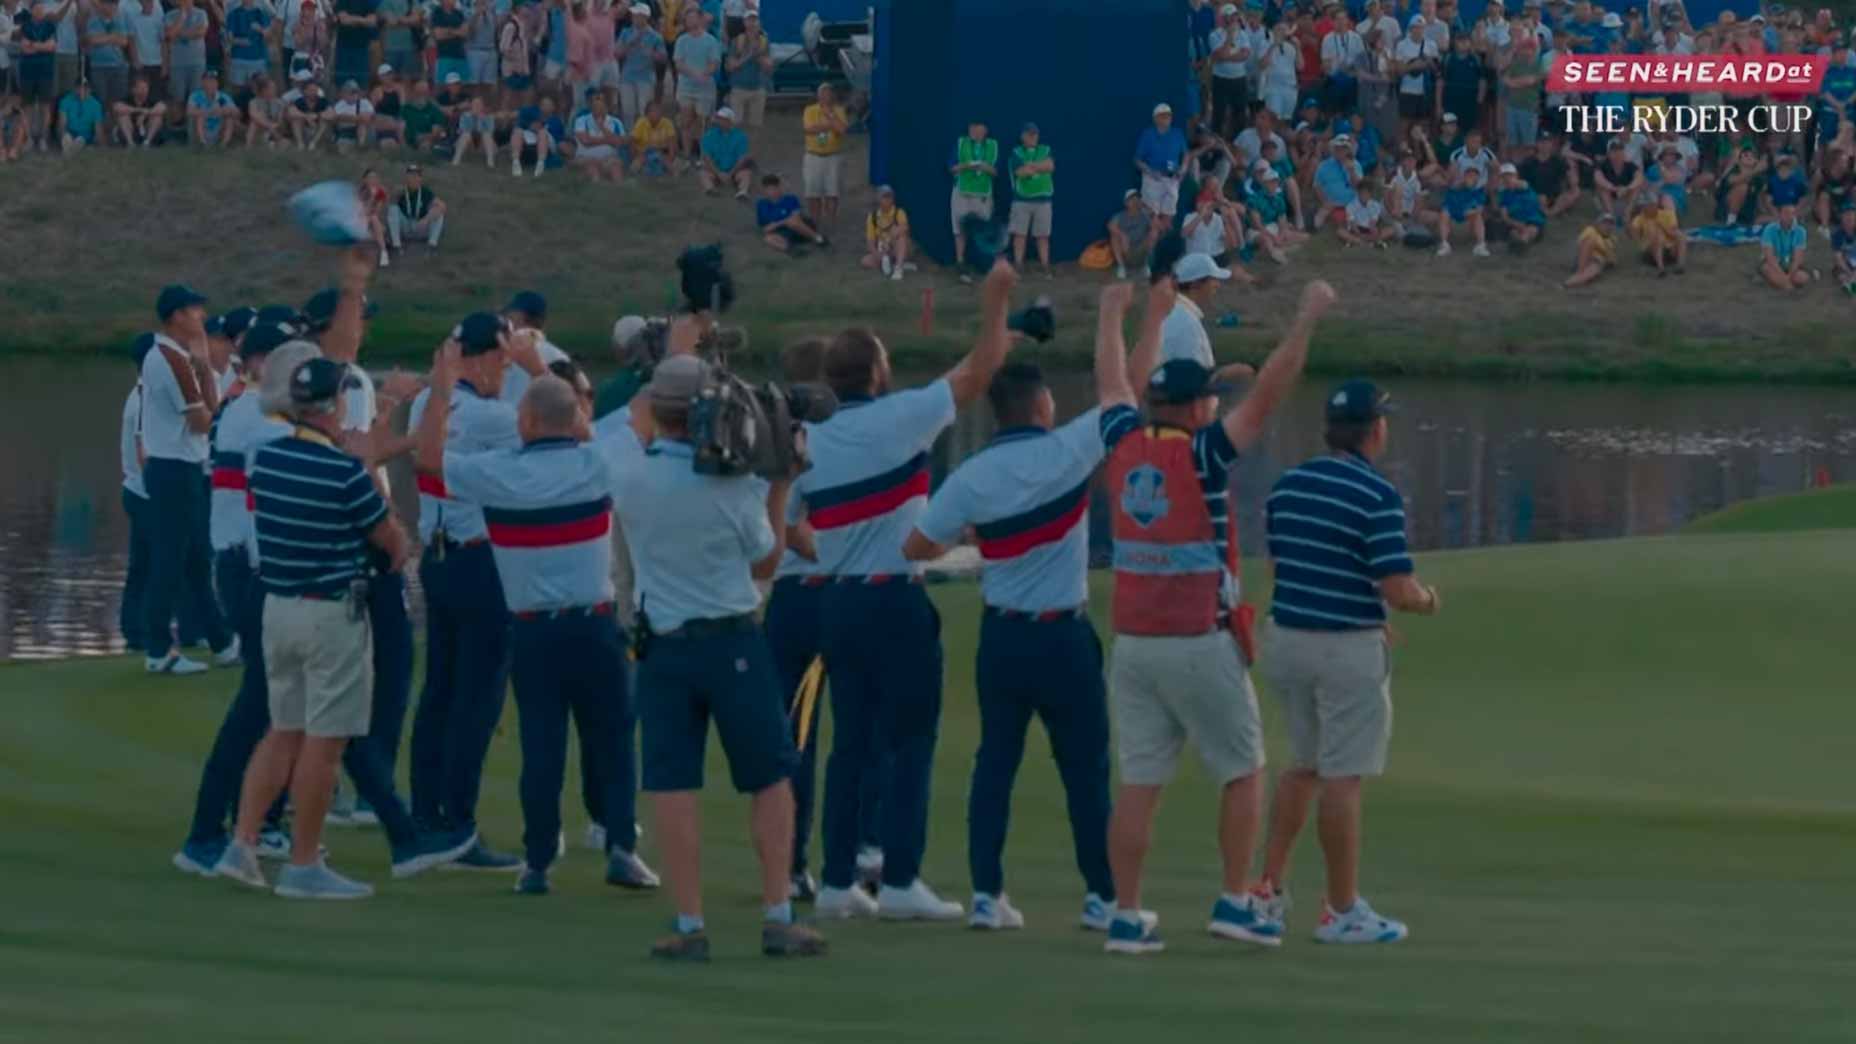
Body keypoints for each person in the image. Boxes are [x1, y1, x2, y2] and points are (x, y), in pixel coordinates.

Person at [1094, 272, 1336, 956]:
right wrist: (1307, 317)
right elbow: (1267, 396)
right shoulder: (1202, 454)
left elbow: (1112, 382)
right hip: (1198, 636)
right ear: (1196, 409)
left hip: (1133, 642)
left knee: (1139, 782)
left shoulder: (1121, 441)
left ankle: (1127, 913)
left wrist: (1116, 315)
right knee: (1243, 768)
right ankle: (1235, 899)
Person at [800, 260, 1019, 923]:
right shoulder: (900, 416)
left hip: (835, 600)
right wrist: (995, 303)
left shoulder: (809, 437)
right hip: (894, 598)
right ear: (875, 373)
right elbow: (980, 372)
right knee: (909, 741)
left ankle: (837, 881)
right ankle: (899, 878)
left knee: (850, 743)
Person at [415, 327, 658, 897]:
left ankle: (538, 862)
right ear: (573, 421)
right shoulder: (597, 462)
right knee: (613, 741)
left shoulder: (500, 475)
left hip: (531, 632)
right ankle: (622, 846)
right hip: (595, 624)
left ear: (524, 424)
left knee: (543, 747)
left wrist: (441, 384)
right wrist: (542, 368)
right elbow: (644, 413)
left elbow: (429, 457)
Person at [604, 350, 825, 961]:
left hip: (663, 648)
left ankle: (689, 921)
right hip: (733, 641)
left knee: (674, 784)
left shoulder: (630, 474)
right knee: (771, 777)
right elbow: (767, 559)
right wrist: (779, 483)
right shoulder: (732, 487)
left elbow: (618, 427)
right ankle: (778, 913)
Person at [901, 358, 1117, 932]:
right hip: (1065, 634)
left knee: (995, 764)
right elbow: (1124, 394)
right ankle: (1102, 895)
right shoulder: (1069, 450)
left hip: (1004, 637)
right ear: (1042, 407)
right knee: (1085, 770)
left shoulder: (973, 475)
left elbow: (917, 547)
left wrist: (978, 532)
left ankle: (985, 894)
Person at [207, 354, 419, 900]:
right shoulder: (345, 472)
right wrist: (368, 462)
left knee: (282, 731)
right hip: (330, 613)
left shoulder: (269, 459)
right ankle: (303, 864)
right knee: (323, 746)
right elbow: (393, 545)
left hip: (278, 609)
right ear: (333, 406)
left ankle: (243, 844)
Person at [1254, 379, 1437, 945]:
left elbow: (1297, 564)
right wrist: (1427, 601)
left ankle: (1267, 892)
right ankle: (1340, 910)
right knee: (1342, 777)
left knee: (1303, 765)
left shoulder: (1289, 484)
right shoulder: (1376, 494)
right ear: (1374, 431)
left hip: (1286, 638)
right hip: (1344, 649)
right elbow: (1398, 587)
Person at [405, 305, 548, 873]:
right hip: (479, 561)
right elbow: (565, 421)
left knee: (439, 689)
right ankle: (458, 824)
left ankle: (427, 813)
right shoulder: (492, 417)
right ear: (487, 357)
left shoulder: (428, 402)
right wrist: (538, 367)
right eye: (502, 358)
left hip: (438, 559)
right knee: (478, 698)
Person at [139, 285, 237, 675]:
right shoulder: (169, 359)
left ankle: (222, 642)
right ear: (177, 316)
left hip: (182, 470)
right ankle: (159, 651)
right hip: (174, 470)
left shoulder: (179, 358)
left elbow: (207, 413)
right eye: (195, 310)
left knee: (197, 560)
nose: (201, 317)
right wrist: (221, 406)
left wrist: (202, 367)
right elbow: (203, 421)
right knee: (170, 562)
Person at [949, 119, 999, 276]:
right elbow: (951, 168)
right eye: (972, 129)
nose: (975, 132)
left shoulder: (993, 145)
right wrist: (967, 165)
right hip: (962, 192)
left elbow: (997, 172)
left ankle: (983, 263)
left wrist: (985, 167)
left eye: (978, 129)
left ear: (985, 130)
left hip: (983, 194)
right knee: (960, 229)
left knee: (983, 230)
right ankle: (960, 262)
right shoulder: (960, 143)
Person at [1009, 122, 1056, 278]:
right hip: (1021, 201)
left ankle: (1045, 266)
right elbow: (1021, 172)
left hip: (1043, 200)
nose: (1033, 137)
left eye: (1035, 134)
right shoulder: (1016, 152)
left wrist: (1032, 165)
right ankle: (1018, 265)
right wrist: (1038, 167)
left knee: (1043, 236)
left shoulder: (1045, 150)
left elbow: (1049, 166)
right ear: (1023, 136)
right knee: (1020, 235)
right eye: (1029, 134)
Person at [801, 83, 849, 229]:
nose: (826, 96)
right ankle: (815, 222)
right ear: (818, 95)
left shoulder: (839, 110)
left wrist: (830, 115)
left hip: (833, 157)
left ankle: (831, 222)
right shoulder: (810, 110)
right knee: (812, 192)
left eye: (829, 93)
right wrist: (831, 125)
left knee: (832, 192)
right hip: (813, 156)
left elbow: (842, 130)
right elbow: (809, 129)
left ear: (832, 96)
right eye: (823, 93)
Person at [1134, 102, 1188, 222]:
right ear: (1155, 118)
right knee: (1151, 219)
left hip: (1172, 179)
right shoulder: (1148, 134)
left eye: (1169, 115)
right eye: (1163, 116)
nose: (1167, 118)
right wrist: (1150, 172)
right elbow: (1137, 160)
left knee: (1168, 219)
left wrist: (1183, 169)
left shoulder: (1177, 133)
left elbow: (1185, 154)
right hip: (1153, 179)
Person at [615, 3, 665, 127]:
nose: (634, 18)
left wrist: (652, 53)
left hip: (646, 78)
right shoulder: (626, 33)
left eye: (637, 15)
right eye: (633, 15)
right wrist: (629, 44)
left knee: (644, 111)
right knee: (628, 112)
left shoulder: (655, 36)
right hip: (627, 77)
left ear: (645, 17)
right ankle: (629, 138)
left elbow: (663, 58)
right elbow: (617, 53)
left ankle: (644, 138)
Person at [757, 172, 827, 254]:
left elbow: (796, 218)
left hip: (802, 228)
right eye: (769, 189)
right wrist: (783, 222)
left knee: (792, 222)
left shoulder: (790, 199)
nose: (773, 192)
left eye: (775, 188)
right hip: (784, 232)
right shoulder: (761, 204)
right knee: (768, 239)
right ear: (764, 190)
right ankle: (792, 250)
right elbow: (765, 229)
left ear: (780, 187)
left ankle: (819, 239)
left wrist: (777, 224)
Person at [672, 5, 721, 119]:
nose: (689, 21)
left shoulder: (711, 40)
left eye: (692, 18)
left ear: (700, 19)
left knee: (702, 121)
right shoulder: (681, 40)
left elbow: (714, 62)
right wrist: (695, 74)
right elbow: (678, 63)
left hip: (705, 88)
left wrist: (704, 74)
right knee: (686, 121)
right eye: (687, 18)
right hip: (685, 88)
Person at [724, 9, 770, 128]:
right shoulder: (737, 41)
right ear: (744, 23)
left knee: (756, 125)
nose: (752, 23)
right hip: (739, 88)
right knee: (735, 124)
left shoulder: (764, 42)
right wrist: (750, 54)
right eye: (749, 20)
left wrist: (759, 57)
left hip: (758, 88)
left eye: (755, 20)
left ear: (759, 23)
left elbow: (768, 66)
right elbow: (731, 66)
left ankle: (754, 146)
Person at [164, 0, 210, 114]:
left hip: (197, 62)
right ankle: (177, 126)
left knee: (196, 97)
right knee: (177, 97)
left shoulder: (201, 13)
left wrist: (180, 34)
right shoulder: (170, 15)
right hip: (177, 63)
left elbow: (201, 32)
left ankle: (193, 125)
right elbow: (170, 34)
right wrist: (182, 16)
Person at [698, 105, 754, 197]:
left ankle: (743, 191)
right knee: (703, 173)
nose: (718, 121)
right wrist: (718, 173)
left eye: (721, 119)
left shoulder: (741, 136)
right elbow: (707, 157)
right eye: (718, 118)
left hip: (735, 170)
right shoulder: (709, 135)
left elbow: (742, 158)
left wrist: (730, 173)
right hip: (716, 169)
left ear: (729, 121)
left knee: (746, 174)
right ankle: (710, 189)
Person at [575, 89, 630, 182]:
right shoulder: (581, 120)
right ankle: (595, 184)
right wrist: (608, 140)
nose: (598, 106)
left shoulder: (616, 122)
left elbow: (619, 143)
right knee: (592, 167)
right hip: (586, 158)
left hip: (609, 158)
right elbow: (585, 141)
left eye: (601, 102)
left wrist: (602, 127)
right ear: (591, 105)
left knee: (615, 168)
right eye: (595, 103)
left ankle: (619, 190)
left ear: (607, 106)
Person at [389, 163, 447, 250]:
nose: (413, 179)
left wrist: (426, 219)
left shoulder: (425, 192)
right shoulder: (401, 190)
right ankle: (396, 245)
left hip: (420, 227)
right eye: (410, 176)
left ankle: (431, 245)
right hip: (406, 227)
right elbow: (389, 202)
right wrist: (396, 194)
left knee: (439, 214)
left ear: (420, 178)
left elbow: (442, 206)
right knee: (393, 209)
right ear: (406, 177)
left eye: (416, 176)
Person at [1436, 164, 1489, 257]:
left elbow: (1479, 208)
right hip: (1453, 216)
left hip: (1469, 220)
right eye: (1469, 175)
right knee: (1444, 213)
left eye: (1474, 176)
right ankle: (1444, 244)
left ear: (1477, 179)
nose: (1471, 178)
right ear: (1464, 177)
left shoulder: (1479, 192)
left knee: (1477, 215)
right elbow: (1447, 205)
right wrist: (1458, 186)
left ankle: (1480, 245)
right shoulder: (1454, 189)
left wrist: (1469, 211)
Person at [1107, 190, 1159, 280]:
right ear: (1126, 203)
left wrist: (1153, 213)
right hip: (1126, 250)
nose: (1135, 202)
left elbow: (1157, 227)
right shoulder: (1120, 216)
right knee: (1114, 237)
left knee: (1153, 233)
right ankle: (1122, 267)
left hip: (1141, 250)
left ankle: (1145, 266)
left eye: (1137, 199)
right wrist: (1122, 235)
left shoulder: (1145, 215)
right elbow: (1110, 225)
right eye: (1132, 199)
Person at [862, 185, 911, 280]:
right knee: (865, 261)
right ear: (879, 199)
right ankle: (894, 264)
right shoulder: (872, 217)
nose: (888, 200)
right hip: (883, 251)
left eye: (890, 197)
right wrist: (877, 255)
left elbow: (905, 228)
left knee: (900, 235)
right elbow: (870, 241)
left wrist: (891, 238)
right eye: (885, 197)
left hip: (896, 247)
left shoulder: (899, 212)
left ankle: (898, 269)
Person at [1493, 162, 1546, 249]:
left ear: (1516, 175)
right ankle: (1519, 242)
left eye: (1510, 175)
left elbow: (1523, 185)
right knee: (1513, 232)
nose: (1507, 178)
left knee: (1531, 229)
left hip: (1533, 221)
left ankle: (1522, 242)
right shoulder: (1503, 195)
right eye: (1504, 176)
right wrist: (1516, 223)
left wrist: (1516, 184)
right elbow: (1504, 216)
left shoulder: (1525, 187)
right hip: (1516, 223)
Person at [1760, 202, 1811, 291]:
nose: (1790, 217)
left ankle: (1784, 284)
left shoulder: (1800, 231)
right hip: (1774, 263)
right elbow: (1770, 257)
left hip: (1789, 263)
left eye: (1792, 213)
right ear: (1780, 215)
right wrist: (1783, 276)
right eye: (1787, 213)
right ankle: (1787, 286)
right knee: (1768, 269)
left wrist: (1788, 275)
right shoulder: (1769, 229)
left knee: (1803, 278)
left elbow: (1797, 259)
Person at [1628, 194, 1684, 276]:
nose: (1645, 208)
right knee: (1657, 234)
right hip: (1651, 252)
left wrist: (1662, 227)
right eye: (1644, 206)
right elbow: (1635, 237)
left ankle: (1680, 265)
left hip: (1669, 248)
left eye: (1649, 205)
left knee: (1680, 235)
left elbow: (1673, 233)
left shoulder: (1668, 214)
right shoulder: (1639, 219)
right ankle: (1660, 268)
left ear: (1655, 205)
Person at [332, 0, 381, 89]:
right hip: (344, 48)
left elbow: (372, 21)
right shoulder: (342, 2)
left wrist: (352, 19)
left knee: (362, 84)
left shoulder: (366, 3)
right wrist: (363, 20)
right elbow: (343, 20)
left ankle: (360, 103)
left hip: (362, 48)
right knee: (341, 84)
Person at [1562, 213, 1618, 289]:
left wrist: (1607, 258)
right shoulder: (1591, 230)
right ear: (1598, 224)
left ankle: (1570, 283)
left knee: (1596, 266)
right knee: (1590, 242)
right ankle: (1580, 272)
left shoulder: (1612, 239)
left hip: (1596, 261)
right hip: (1581, 258)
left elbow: (1611, 259)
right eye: (1604, 223)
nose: (1607, 227)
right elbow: (1583, 245)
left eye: (1610, 224)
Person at [186, 70, 239, 147]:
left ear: (217, 83)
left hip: (218, 129)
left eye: (213, 81)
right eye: (208, 81)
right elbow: (189, 111)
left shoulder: (223, 97)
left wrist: (225, 110)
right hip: (200, 129)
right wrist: (209, 112)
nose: (211, 84)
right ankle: (202, 144)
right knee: (200, 116)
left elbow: (236, 112)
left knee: (229, 118)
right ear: (202, 82)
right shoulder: (195, 95)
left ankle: (223, 144)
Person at [630, 97, 676, 175]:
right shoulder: (641, 123)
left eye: (659, 110)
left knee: (671, 167)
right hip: (643, 152)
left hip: (662, 152)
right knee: (635, 167)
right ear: (647, 114)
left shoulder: (667, 123)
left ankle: (675, 180)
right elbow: (632, 142)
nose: (657, 113)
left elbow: (672, 143)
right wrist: (638, 155)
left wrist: (670, 157)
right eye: (654, 111)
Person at [56, 77, 104, 151]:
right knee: (67, 137)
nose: (83, 91)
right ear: (75, 88)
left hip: (86, 134)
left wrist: (100, 143)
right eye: (80, 88)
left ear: (90, 90)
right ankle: (69, 144)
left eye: (86, 88)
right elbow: (62, 123)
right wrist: (62, 134)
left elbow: (98, 127)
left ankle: (74, 147)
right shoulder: (65, 101)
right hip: (70, 132)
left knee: (81, 140)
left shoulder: (96, 104)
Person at [330, 79, 376, 151]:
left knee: (362, 125)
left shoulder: (365, 103)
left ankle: (361, 146)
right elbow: (333, 118)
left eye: (355, 92)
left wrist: (345, 118)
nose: (354, 95)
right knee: (343, 149)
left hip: (363, 132)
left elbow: (368, 118)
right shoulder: (339, 104)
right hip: (346, 131)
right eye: (351, 92)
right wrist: (356, 118)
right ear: (344, 93)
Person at [289, 77, 332, 150]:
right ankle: (300, 144)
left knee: (324, 121)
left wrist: (317, 116)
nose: (313, 92)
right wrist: (306, 116)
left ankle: (313, 143)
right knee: (296, 120)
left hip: (317, 128)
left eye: (315, 90)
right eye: (311, 90)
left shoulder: (323, 101)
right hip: (304, 128)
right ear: (305, 91)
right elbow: (291, 112)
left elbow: (332, 114)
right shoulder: (299, 101)